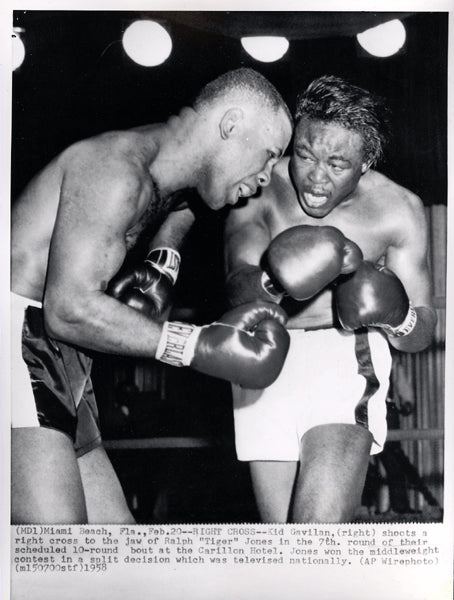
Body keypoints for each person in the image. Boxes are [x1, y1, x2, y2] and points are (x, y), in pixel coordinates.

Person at [11, 67, 293, 524]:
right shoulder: (115, 170)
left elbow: (187, 204)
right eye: (267, 156)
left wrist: (164, 261)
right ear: (230, 124)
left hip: (59, 355)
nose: (266, 176)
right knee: (60, 554)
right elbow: (69, 310)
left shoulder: (166, 165)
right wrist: (195, 345)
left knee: (116, 543)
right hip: (18, 340)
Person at [223, 75, 437, 523]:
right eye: (304, 155)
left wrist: (396, 315)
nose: (316, 178)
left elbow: (420, 333)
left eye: (337, 164)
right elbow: (236, 286)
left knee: (314, 538)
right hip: (260, 356)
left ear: (366, 162)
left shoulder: (399, 209)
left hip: (343, 360)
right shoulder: (258, 186)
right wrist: (279, 280)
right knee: (284, 553)